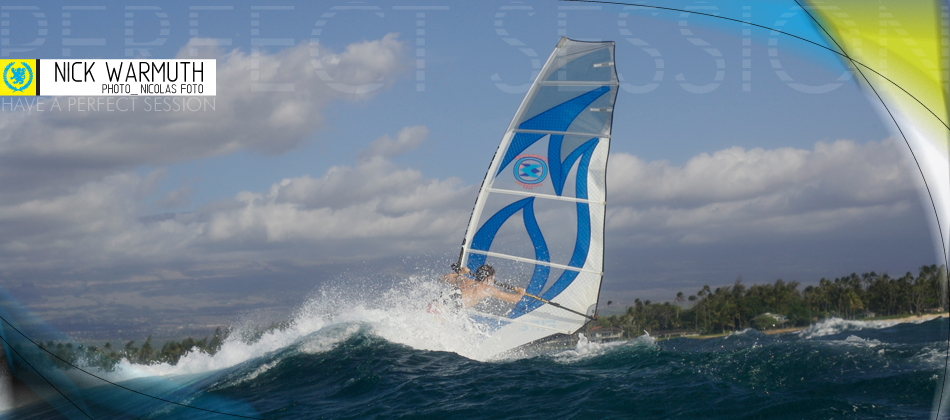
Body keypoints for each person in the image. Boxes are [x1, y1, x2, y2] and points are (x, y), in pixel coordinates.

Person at [430, 264, 526, 313]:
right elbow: (514, 299)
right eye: (493, 279)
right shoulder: (487, 289)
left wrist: (460, 272)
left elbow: (442, 279)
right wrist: (520, 292)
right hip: (452, 305)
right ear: (488, 278)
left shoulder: (464, 280)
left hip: (438, 301)